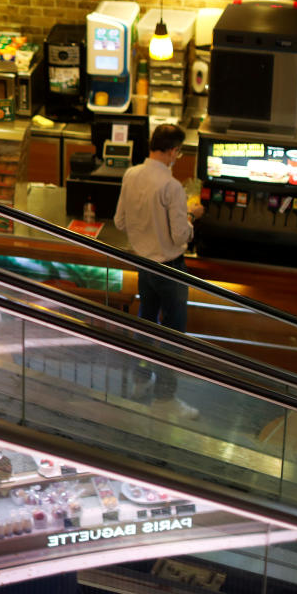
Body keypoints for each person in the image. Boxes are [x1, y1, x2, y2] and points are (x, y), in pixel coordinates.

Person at [113, 123, 204, 421]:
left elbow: (120, 223)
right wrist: (191, 214)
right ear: (173, 151)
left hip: (143, 265)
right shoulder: (172, 187)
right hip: (170, 268)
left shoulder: (131, 174)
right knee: (173, 334)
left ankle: (140, 384)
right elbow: (181, 237)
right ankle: (165, 398)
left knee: (146, 325)